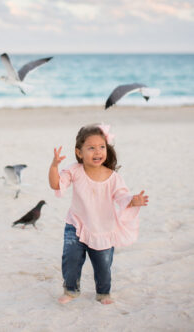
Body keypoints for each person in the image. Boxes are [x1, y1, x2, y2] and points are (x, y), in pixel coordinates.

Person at [48, 123, 148, 305]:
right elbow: (56, 185)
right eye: (91, 148)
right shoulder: (74, 170)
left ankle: (103, 293)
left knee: (103, 265)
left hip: (103, 228)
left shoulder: (112, 177)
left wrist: (133, 200)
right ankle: (70, 290)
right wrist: (54, 166)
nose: (97, 152)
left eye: (102, 147)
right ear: (79, 152)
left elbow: (122, 197)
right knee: (70, 258)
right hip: (76, 225)